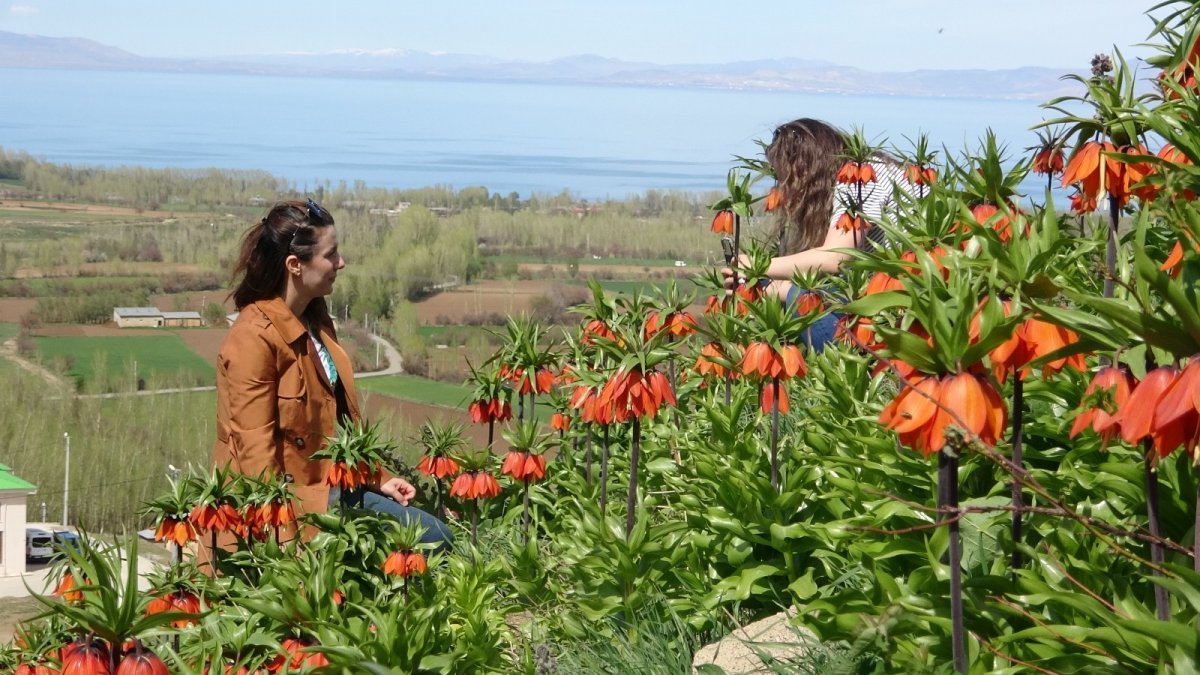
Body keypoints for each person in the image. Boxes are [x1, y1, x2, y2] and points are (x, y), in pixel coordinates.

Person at [209, 198, 452, 559]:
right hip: (293, 505)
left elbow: (335, 425)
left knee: (436, 536)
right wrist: (287, 551)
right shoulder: (253, 339)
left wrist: (378, 477)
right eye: (331, 255)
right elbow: (255, 453)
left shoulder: (313, 317)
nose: (341, 263)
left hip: (331, 487)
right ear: (294, 265)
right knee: (430, 540)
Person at [723, 118, 910, 349]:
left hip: (909, 296)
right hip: (906, 289)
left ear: (805, 168)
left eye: (787, 177)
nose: (786, 188)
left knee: (800, 299)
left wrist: (756, 267)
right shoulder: (874, 168)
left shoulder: (858, 177)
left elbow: (835, 258)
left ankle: (850, 361)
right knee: (798, 292)